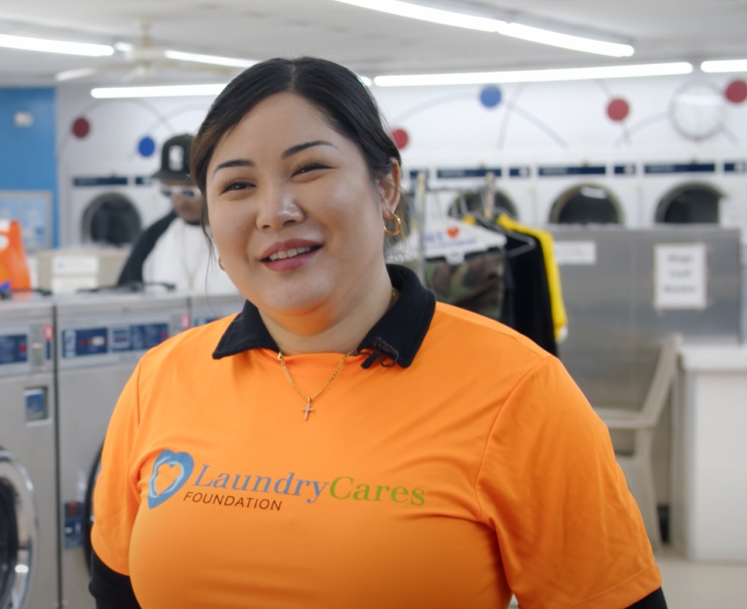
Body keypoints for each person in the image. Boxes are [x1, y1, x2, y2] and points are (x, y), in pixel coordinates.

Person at [89, 57, 665, 609]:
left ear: (386, 186)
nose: (275, 211)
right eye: (237, 185)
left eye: (309, 168)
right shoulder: (161, 379)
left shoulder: (517, 388)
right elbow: (117, 590)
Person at [116, 134, 236, 294]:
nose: (178, 202)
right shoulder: (154, 236)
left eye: (188, 191)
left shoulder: (236, 233)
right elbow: (125, 296)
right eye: (168, 191)